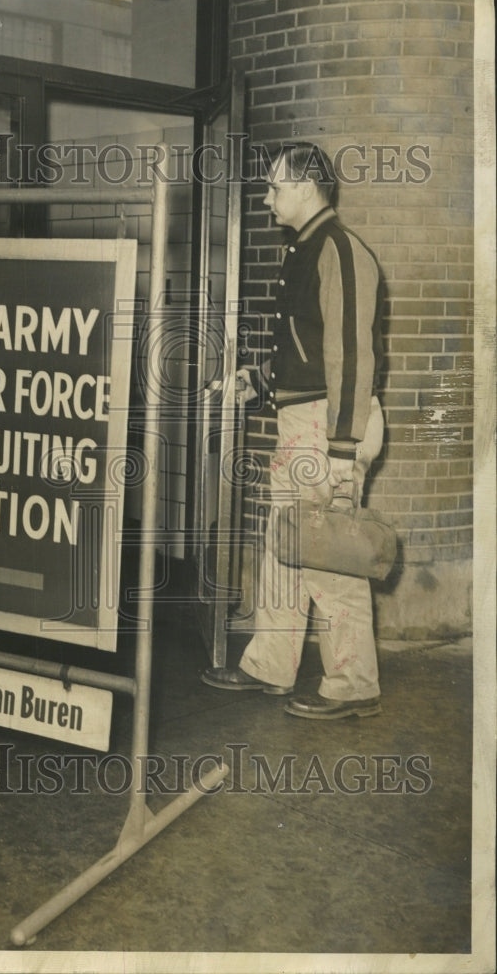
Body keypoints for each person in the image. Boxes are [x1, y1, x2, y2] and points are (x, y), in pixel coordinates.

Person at [202, 142, 386, 720]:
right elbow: (303, 352)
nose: (267, 197)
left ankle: (354, 682)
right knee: (285, 550)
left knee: (330, 556)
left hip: (330, 425)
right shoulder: (303, 249)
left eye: (275, 187)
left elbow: (352, 357)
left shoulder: (340, 250)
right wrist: (251, 383)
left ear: (307, 187)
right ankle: (270, 668)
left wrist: (342, 450)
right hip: (302, 421)